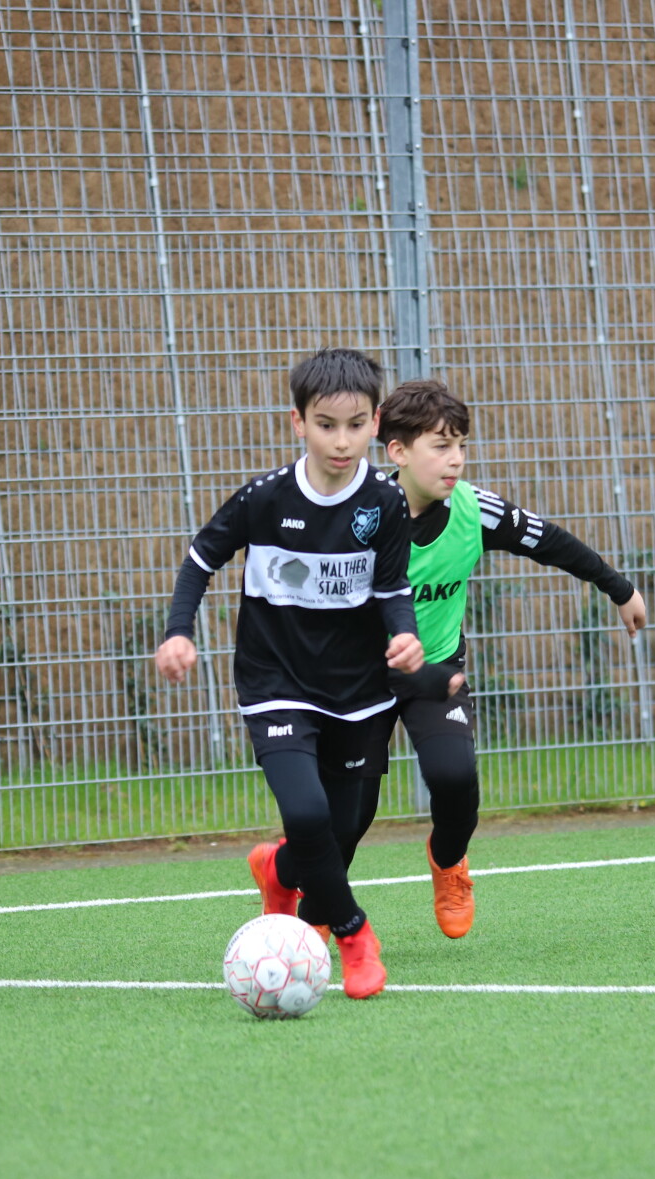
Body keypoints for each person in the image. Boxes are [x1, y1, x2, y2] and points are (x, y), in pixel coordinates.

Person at [155, 348, 424, 998]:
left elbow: (390, 586)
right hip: (275, 681)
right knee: (305, 810)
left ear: (376, 422)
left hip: (358, 690)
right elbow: (200, 558)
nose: (342, 441)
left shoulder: (385, 502)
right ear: (298, 422)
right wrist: (178, 631)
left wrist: (405, 632)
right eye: (326, 425)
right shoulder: (266, 497)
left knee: (344, 826)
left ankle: (279, 871)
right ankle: (354, 935)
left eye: (355, 425)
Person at [375, 378, 647, 937]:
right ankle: (313, 893)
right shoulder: (360, 512)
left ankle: (448, 863)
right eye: (441, 446)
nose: (456, 459)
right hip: (360, 675)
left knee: (456, 779)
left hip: (438, 670)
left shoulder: (474, 510)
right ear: (398, 451)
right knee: (348, 814)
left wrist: (619, 588)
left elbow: (551, 542)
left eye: (461, 445)